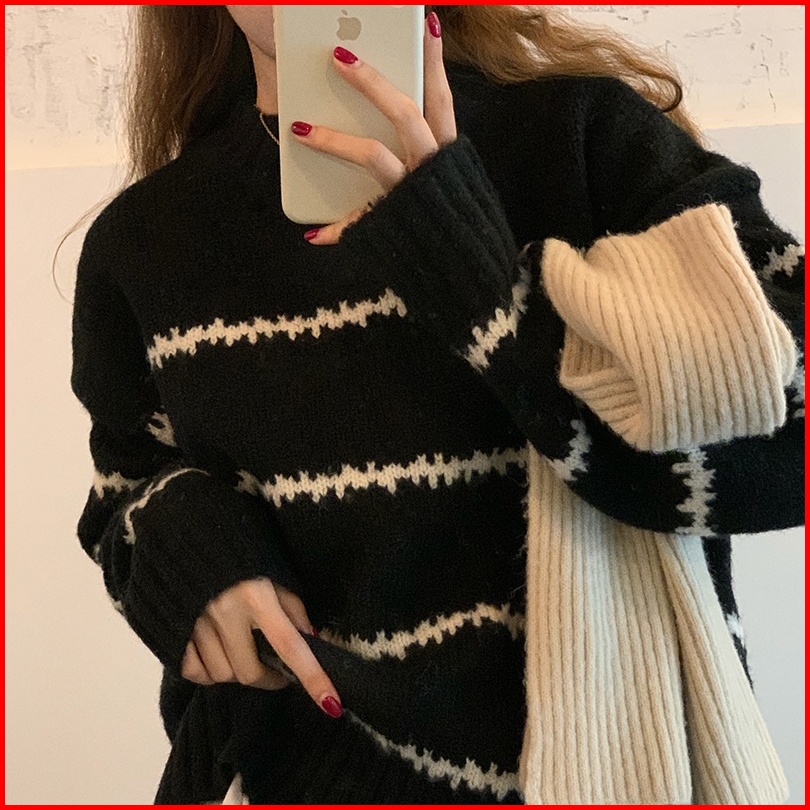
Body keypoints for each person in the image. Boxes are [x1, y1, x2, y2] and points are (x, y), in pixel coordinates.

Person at [68, 5, 804, 805]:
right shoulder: (145, 239)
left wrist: (480, 279)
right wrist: (184, 544)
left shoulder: (587, 140)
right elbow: (125, 491)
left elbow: (786, 433)